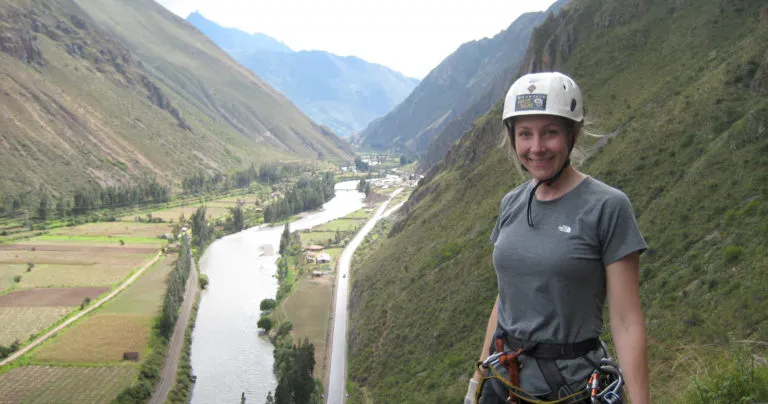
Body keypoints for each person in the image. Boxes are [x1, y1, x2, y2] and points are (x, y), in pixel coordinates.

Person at [465, 72, 649, 404]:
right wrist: (478, 378)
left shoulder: (607, 207)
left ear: (571, 135)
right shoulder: (512, 203)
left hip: (571, 388)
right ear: (513, 137)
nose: (537, 147)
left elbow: (626, 321)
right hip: (504, 380)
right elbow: (504, 301)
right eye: (525, 134)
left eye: (550, 132)